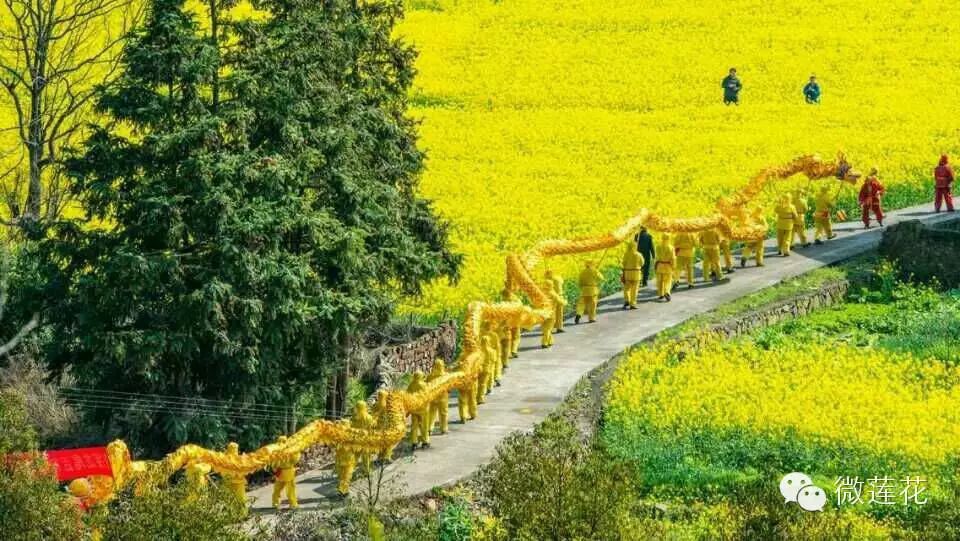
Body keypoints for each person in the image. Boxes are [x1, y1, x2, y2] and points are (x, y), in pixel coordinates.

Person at [271, 436, 301, 507]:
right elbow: (295, 460)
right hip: (287, 472)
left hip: (281, 472)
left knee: (277, 489)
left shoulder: (276, 451)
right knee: (290, 489)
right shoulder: (289, 451)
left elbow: (273, 463)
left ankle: (275, 503)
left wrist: (275, 469)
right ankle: (293, 504)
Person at [427, 359, 449, 435]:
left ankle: (429, 428)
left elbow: (427, 385)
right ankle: (444, 428)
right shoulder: (446, 375)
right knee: (443, 414)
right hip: (443, 398)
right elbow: (449, 386)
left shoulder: (430, 376)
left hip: (433, 398)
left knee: (431, 413)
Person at [620, 241, 643, 309]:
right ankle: (632, 304)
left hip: (628, 273)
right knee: (634, 289)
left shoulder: (626, 254)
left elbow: (623, 263)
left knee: (627, 288)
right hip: (636, 273)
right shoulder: (639, 254)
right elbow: (642, 263)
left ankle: (627, 300)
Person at [655, 235, 676, 301]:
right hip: (668, 266)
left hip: (660, 265)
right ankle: (667, 291)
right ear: (668, 238)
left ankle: (661, 294)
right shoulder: (671, 247)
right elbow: (673, 258)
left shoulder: (658, 247)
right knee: (668, 281)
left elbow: (657, 257)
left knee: (660, 281)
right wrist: (673, 266)